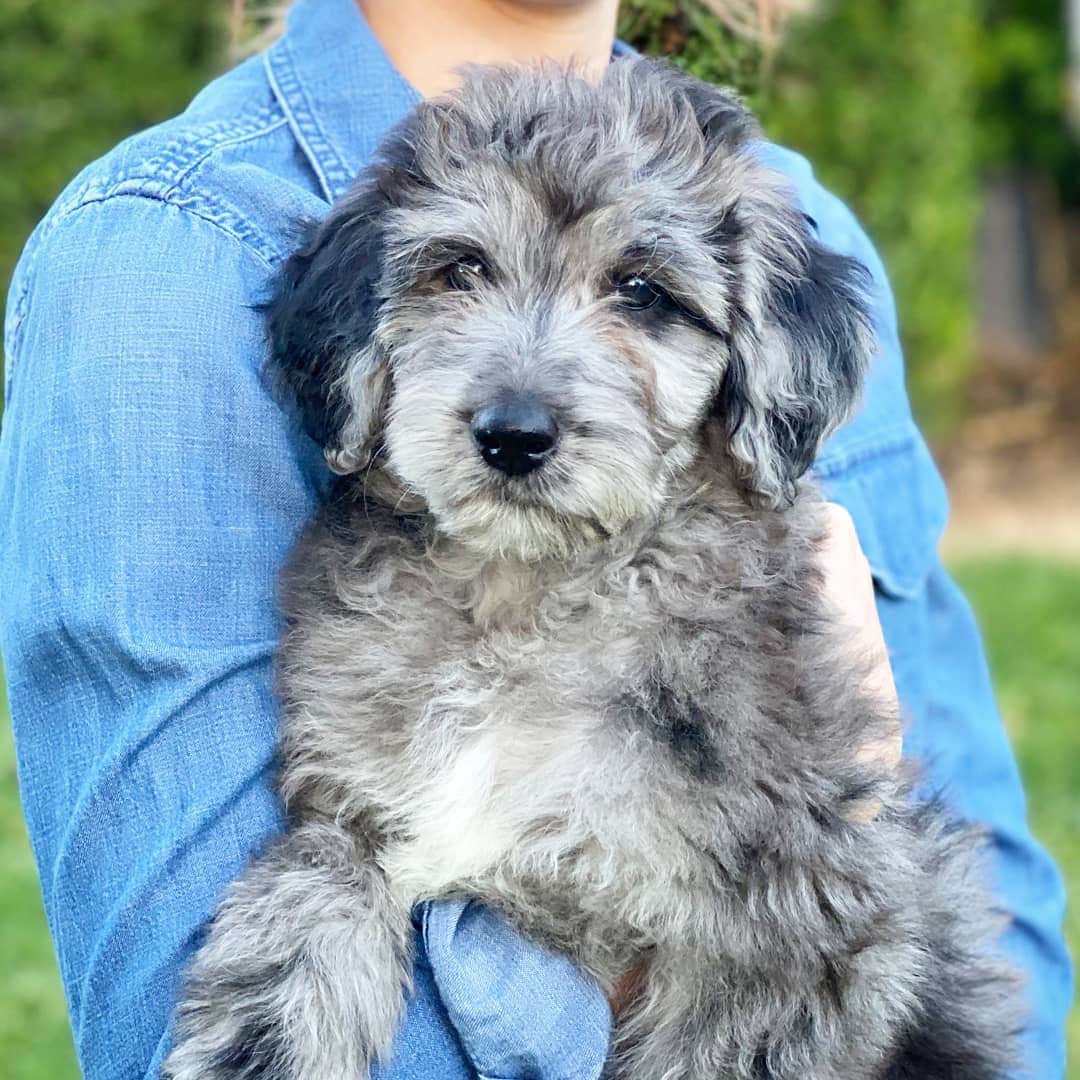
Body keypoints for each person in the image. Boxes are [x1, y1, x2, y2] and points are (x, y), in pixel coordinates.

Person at [0, 0, 1069, 1077]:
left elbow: (998, 923)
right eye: (457, 273)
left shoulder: (792, 218)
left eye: (642, 296)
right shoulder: (157, 258)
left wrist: (830, 851)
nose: (523, 401)